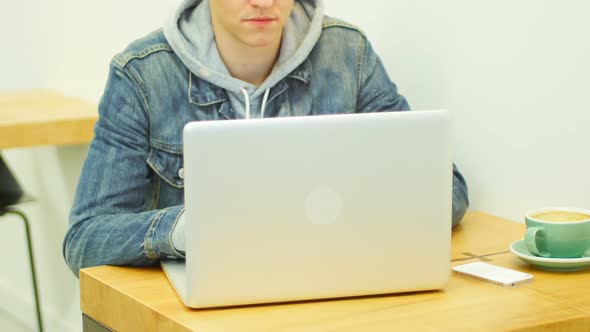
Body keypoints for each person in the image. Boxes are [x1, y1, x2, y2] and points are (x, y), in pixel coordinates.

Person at [63, 0, 469, 276]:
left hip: (331, 285)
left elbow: (447, 190)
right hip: (201, 305)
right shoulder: (142, 74)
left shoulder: (348, 53)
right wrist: (190, 229)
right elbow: (86, 239)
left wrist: (349, 215)